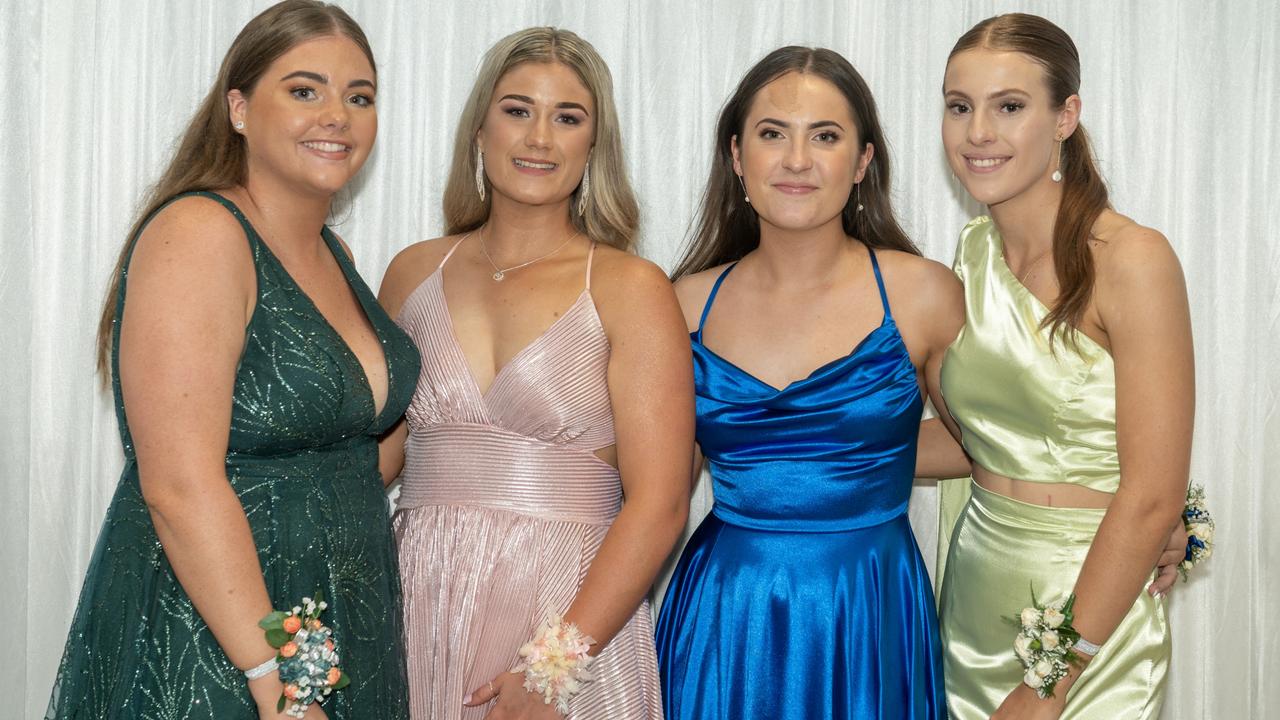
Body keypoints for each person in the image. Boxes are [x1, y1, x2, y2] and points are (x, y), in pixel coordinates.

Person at [44, 2, 417, 718]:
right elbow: (178, 486)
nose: (336, 114)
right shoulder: (201, 233)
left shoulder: (335, 255)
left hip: (335, 621)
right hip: (222, 633)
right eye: (304, 90)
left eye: (359, 96)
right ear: (239, 108)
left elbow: (350, 456)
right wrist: (276, 674)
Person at [377, 27, 693, 720]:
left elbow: (661, 502)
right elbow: (371, 463)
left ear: (593, 144)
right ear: (480, 129)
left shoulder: (630, 287)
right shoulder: (411, 272)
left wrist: (555, 667)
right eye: (518, 109)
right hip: (416, 602)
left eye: (568, 117)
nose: (540, 138)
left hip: (568, 614)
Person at [654, 46, 962, 720]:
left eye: (825, 136)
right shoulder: (682, 303)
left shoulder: (923, 294)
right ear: (736, 156)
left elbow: (998, 446)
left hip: (869, 608)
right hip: (725, 616)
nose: (797, 160)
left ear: (862, 163)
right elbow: (656, 490)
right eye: (773, 134)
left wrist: (1133, 518)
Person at [933, 13, 1194, 720]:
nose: (977, 133)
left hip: (1087, 608)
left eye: (1008, 106)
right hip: (974, 590)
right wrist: (791, 441)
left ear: (1064, 117)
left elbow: (1150, 499)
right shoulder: (971, 254)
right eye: (960, 107)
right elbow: (971, 441)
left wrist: (1048, 682)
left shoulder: (1133, 260)